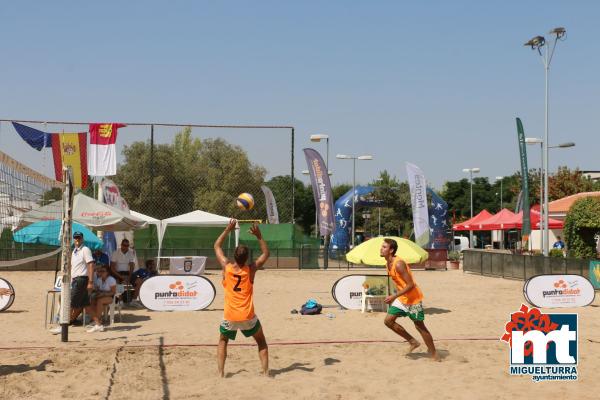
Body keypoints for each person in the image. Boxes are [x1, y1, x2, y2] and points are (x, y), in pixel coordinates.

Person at [214, 219, 270, 377]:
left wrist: (227, 230)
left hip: (230, 315)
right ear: (246, 258)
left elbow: (217, 246)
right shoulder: (251, 269)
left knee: (223, 341)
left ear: (234, 256)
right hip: (247, 315)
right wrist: (259, 236)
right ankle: (266, 374)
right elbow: (266, 254)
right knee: (261, 341)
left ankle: (221, 373)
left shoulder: (226, 266)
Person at [380, 238, 439, 361]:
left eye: (384, 247)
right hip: (402, 298)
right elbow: (401, 284)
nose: (381, 248)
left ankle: (434, 354)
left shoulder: (398, 263)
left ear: (391, 250)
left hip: (413, 299)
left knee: (419, 326)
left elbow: (410, 284)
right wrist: (395, 296)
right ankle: (413, 341)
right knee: (388, 321)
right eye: (382, 246)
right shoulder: (387, 264)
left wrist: (393, 296)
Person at [51, 231, 95, 334]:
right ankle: (98, 324)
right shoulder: (74, 250)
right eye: (75, 238)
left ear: (82, 239)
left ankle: (63, 326)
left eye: (79, 238)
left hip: (81, 279)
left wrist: (91, 281)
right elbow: (72, 267)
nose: (77, 239)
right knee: (86, 304)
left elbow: (91, 265)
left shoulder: (85, 249)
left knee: (68, 302)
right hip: (76, 279)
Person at [87, 265, 117, 333]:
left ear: (107, 272)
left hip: (110, 297)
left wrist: (103, 294)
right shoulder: (99, 280)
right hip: (102, 295)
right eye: (100, 271)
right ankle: (96, 320)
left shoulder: (111, 279)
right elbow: (98, 290)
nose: (101, 272)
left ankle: (98, 321)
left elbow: (113, 292)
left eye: (103, 271)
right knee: (92, 300)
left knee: (100, 301)